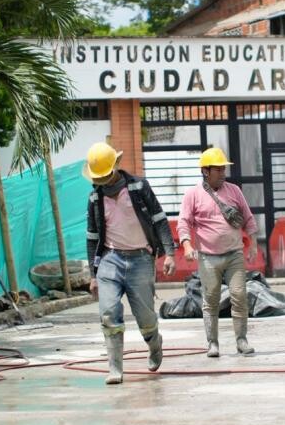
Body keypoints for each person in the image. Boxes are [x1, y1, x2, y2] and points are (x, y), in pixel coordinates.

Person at [84, 142, 177, 385]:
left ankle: (155, 344)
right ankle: (115, 368)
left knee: (145, 318)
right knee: (108, 311)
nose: (102, 181)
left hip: (140, 259)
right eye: (98, 177)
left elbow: (159, 219)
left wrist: (169, 252)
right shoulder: (95, 197)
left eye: (105, 175)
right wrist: (94, 275)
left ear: (115, 166)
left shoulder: (138, 186)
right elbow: (92, 236)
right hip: (110, 260)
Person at [178, 147, 259, 357]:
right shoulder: (192, 194)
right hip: (208, 257)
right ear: (206, 171)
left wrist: (254, 244)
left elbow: (248, 218)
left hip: (234, 254)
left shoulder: (234, 191)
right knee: (211, 299)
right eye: (219, 169)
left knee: (239, 295)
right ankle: (212, 343)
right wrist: (187, 245)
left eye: (224, 169)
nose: (223, 173)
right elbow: (184, 222)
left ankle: (241, 340)